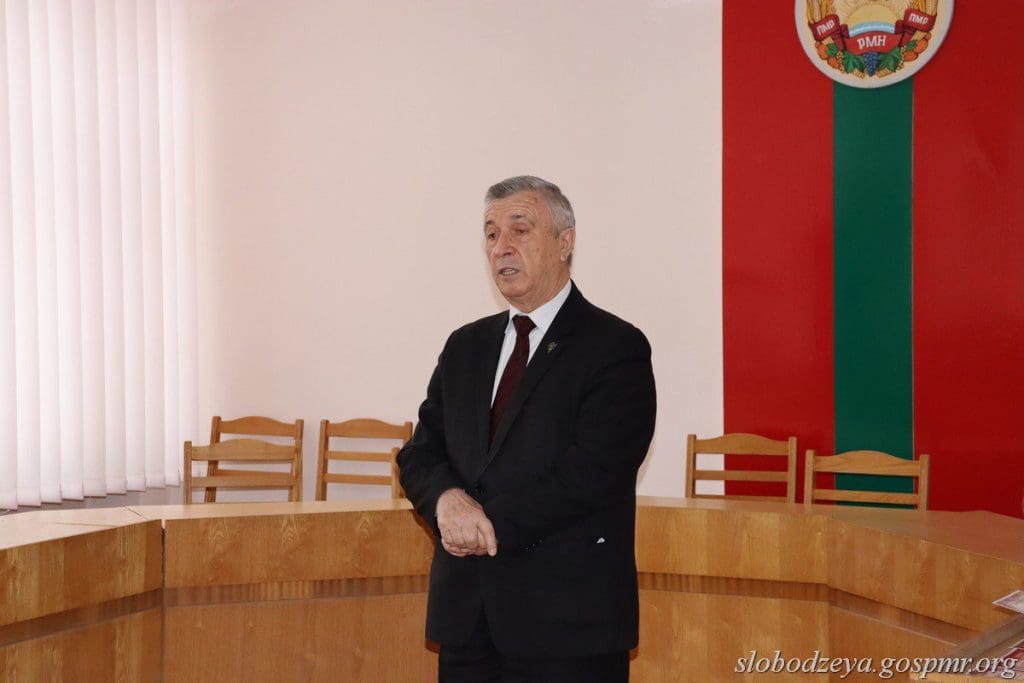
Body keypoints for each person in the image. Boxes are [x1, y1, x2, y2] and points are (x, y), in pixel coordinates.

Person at [396, 175, 657, 682]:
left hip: (567, 626)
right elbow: (420, 452)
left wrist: (484, 525)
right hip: (467, 622)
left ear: (565, 241)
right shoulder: (465, 346)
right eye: (491, 234)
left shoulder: (615, 346)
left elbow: (594, 472)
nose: (501, 248)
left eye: (520, 229)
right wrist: (446, 501)